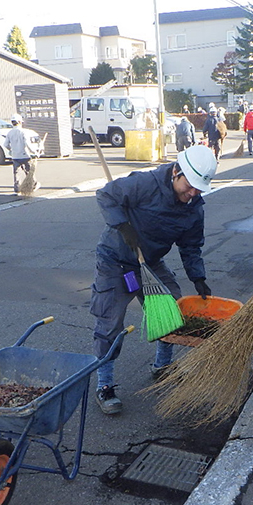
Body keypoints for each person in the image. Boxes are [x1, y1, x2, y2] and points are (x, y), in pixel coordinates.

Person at [91, 145, 218, 415]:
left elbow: (191, 245)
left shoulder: (194, 208)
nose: (193, 193)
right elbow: (106, 195)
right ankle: (105, 385)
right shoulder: (145, 184)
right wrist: (122, 225)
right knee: (109, 322)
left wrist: (198, 276)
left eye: (199, 188)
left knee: (172, 307)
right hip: (116, 260)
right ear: (176, 172)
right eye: (189, 185)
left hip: (149, 263)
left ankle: (162, 366)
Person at [3, 114, 41, 194]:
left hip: (15, 156)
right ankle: (33, 184)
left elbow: (6, 144)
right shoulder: (23, 132)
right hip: (25, 155)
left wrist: (11, 150)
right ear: (20, 122)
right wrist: (34, 152)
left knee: (17, 173)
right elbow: (27, 143)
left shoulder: (10, 133)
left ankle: (17, 189)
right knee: (29, 171)